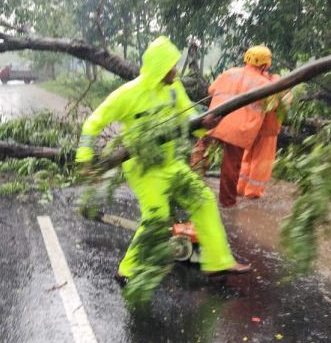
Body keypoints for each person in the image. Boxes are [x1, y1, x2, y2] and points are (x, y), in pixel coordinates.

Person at [76, 36, 250, 282]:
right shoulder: (128, 94)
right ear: (159, 67)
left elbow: (189, 117)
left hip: (171, 163)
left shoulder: (174, 88)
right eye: (171, 67)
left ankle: (218, 262)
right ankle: (127, 270)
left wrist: (205, 124)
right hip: (143, 168)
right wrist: (86, 159)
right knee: (156, 217)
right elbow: (92, 123)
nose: (175, 71)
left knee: (203, 200)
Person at [190, 45, 276, 207]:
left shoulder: (229, 73)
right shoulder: (266, 84)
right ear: (265, 65)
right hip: (238, 130)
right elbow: (274, 106)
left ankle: (189, 189)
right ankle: (227, 204)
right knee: (230, 168)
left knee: (200, 155)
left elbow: (211, 90)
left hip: (214, 122)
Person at [237, 86, 292, 199]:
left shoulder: (256, 83)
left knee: (247, 159)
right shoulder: (280, 87)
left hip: (252, 127)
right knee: (261, 162)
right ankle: (253, 192)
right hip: (268, 131)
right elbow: (285, 107)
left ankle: (240, 188)